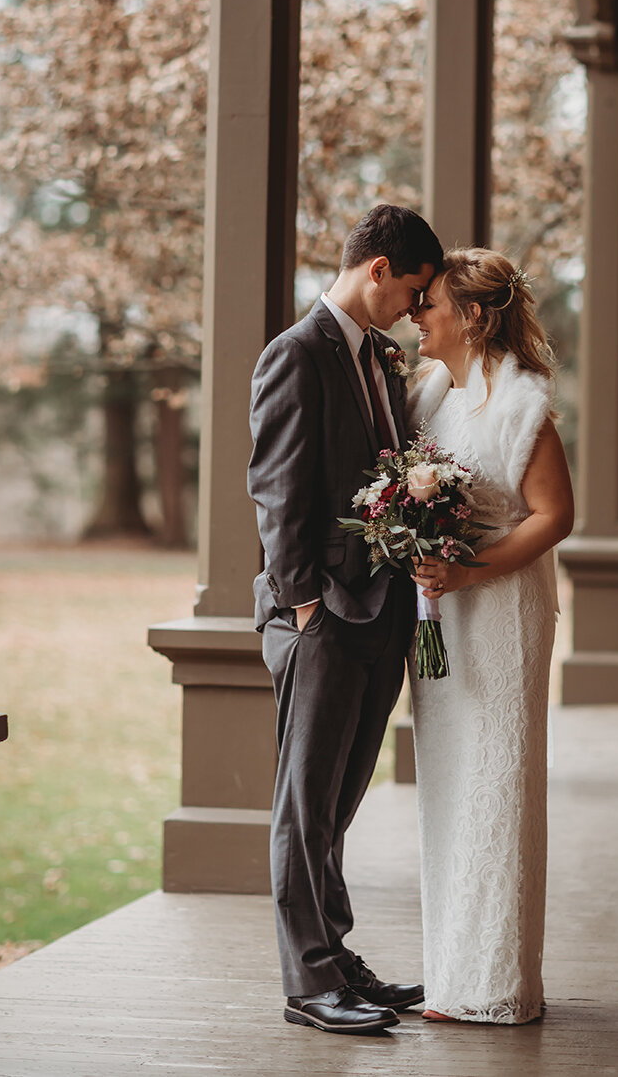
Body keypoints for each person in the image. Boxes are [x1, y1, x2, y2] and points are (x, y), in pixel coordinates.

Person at [249, 204, 444, 1035]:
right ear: (378, 269)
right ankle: (310, 983)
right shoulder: (294, 355)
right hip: (320, 618)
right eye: (413, 287)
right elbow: (278, 490)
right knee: (304, 804)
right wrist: (302, 608)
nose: (416, 305)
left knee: (336, 803)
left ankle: (336, 957)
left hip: (381, 613)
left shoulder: (382, 359)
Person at [408, 247, 574, 1024]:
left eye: (430, 304)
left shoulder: (519, 404)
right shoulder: (431, 398)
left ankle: (500, 983)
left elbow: (555, 515)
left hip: (503, 611)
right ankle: (451, 972)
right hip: (442, 620)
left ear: (473, 316)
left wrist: (474, 572)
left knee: (496, 785)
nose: (417, 316)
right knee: (448, 787)